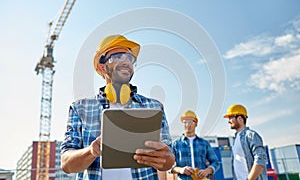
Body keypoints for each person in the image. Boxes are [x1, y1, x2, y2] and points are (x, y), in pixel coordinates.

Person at [60, 34, 175, 179]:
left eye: (129, 58)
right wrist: (91, 151)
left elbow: (169, 159)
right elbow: (66, 164)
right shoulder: (80, 108)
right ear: (102, 68)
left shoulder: (154, 107)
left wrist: (166, 158)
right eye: (118, 56)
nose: (126, 61)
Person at [171, 110, 219, 180]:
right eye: (185, 122)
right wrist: (181, 170)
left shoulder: (204, 143)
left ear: (196, 124)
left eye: (190, 121)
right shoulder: (176, 144)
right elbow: (169, 167)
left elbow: (215, 162)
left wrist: (207, 171)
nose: (187, 124)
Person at [224, 104, 268, 180]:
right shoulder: (236, 139)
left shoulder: (251, 135)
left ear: (240, 118)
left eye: (231, 117)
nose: (229, 121)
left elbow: (261, 159)